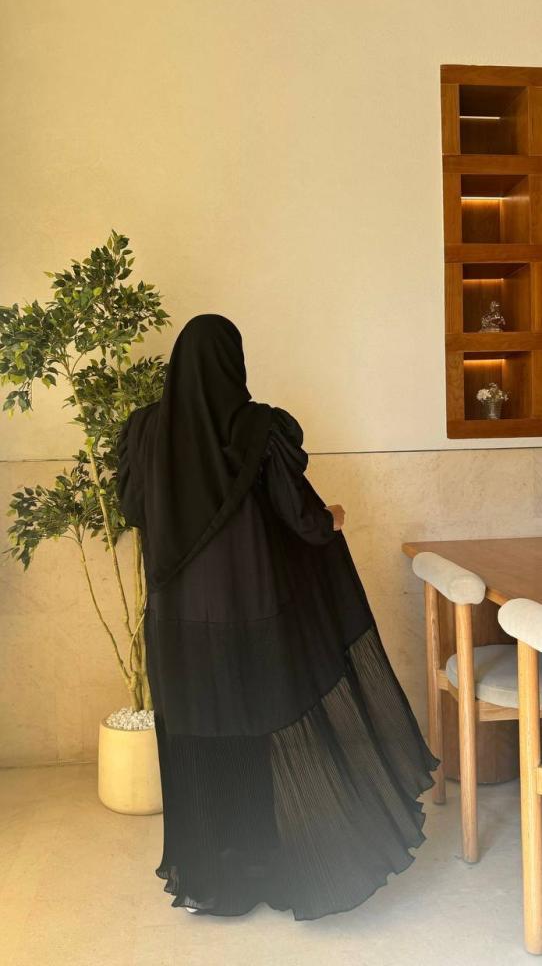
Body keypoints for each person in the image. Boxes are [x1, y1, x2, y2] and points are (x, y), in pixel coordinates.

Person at [116, 313, 439, 922]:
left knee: (198, 735)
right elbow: (303, 521)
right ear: (232, 363)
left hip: (176, 624)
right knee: (259, 725)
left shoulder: (144, 431)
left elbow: (135, 509)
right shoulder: (259, 429)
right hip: (253, 614)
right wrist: (333, 517)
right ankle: (271, 858)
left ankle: (215, 880)